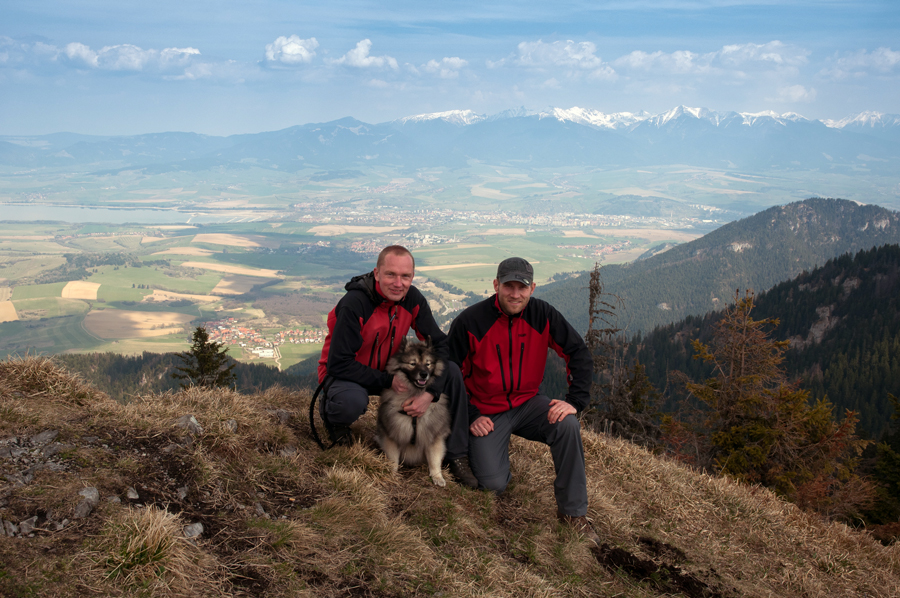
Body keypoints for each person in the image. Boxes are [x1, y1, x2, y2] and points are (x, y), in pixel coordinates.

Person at [447, 257, 599, 543]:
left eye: (522, 287)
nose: (515, 294)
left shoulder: (543, 315)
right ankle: (465, 449)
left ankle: (574, 515)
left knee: (567, 425)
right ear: (496, 285)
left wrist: (575, 401)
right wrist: (470, 413)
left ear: (533, 288)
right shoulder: (470, 322)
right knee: (492, 484)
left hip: (529, 403)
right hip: (486, 411)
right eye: (508, 286)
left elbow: (578, 353)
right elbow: (449, 373)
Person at [316, 245, 477, 488]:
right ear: (376, 273)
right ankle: (335, 420)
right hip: (348, 374)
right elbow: (338, 364)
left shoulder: (412, 299)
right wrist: (387, 381)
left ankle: (456, 454)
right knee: (351, 401)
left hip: (389, 372)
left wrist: (431, 394)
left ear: (412, 277)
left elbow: (441, 344)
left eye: (405, 276)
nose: (398, 283)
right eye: (391, 274)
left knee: (451, 371)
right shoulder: (355, 304)